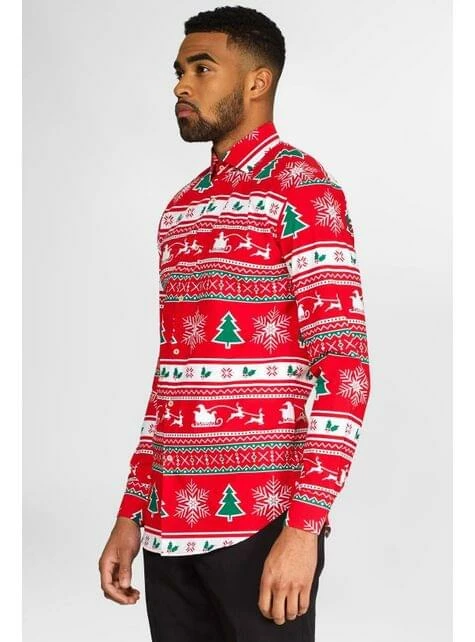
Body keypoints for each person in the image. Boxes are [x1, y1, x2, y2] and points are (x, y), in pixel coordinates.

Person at [98, 6, 371, 641]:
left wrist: (303, 528)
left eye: (202, 68)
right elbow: (173, 377)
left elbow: (345, 372)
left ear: (256, 81)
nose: (180, 84)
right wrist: (131, 511)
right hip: (168, 531)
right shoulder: (181, 210)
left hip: (260, 526)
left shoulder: (304, 190)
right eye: (178, 70)